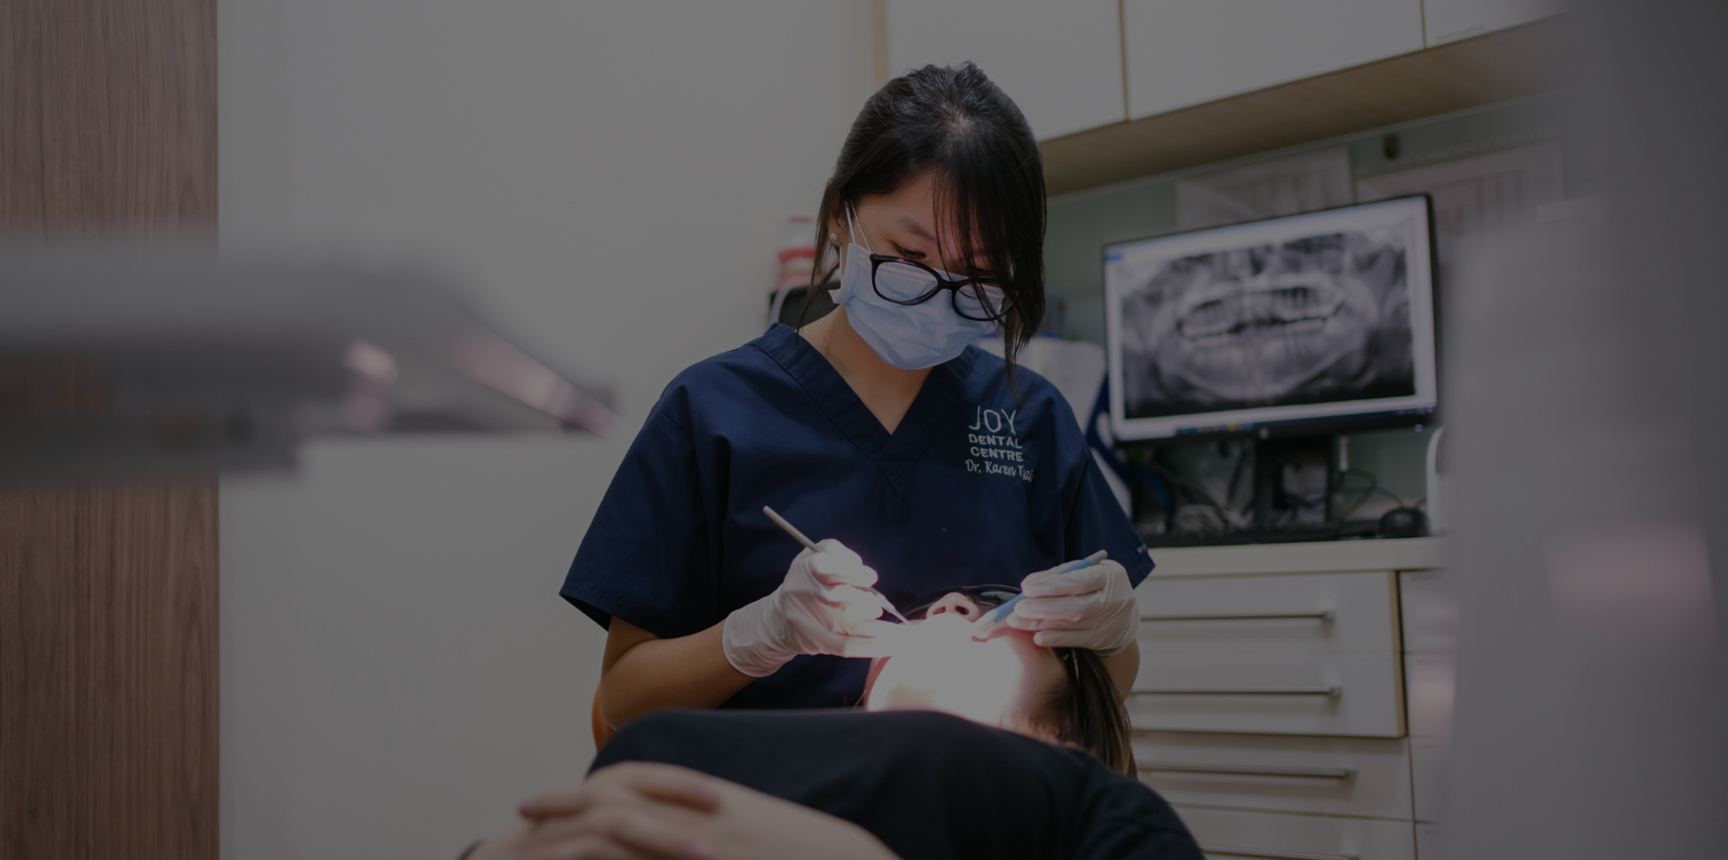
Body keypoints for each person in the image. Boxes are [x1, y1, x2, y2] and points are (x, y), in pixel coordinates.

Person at [562, 62, 1154, 732]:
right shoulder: (713, 412)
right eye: (910, 256)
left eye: (981, 274)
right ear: (838, 219)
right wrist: (753, 638)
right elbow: (618, 712)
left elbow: (1109, 686)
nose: (940, 293)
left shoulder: (1031, 417)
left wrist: (1110, 633)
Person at [466, 589, 1201, 859]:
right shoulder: (755, 749)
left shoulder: (1088, 808)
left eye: (988, 608)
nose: (947, 602)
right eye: (935, 608)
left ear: (1066, 731)